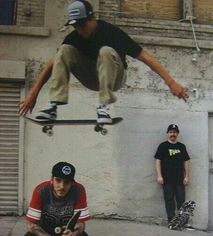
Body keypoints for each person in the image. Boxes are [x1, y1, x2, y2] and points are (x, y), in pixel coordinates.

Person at [19, 0, 188, 124]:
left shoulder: (111, 33)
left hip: (116, 78)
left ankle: (103, 106)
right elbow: (51, 65)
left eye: (82, 25)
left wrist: (171, 82)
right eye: (76, 27)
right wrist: (33, 94)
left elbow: (145, 57)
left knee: (105, 51)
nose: (80, 30)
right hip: (92, 77)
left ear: (92, 19)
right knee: (63, 51)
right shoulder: (74, 37)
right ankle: (54, 106)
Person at [154, 124, 190, 223]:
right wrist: (159, 175)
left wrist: (187, 176)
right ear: (168, 133)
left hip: (180, 179)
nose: (172, 134)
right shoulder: (163, 146)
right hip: (167, 179)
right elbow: (158, 161)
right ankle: (172, 221)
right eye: (170, 132)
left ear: (177, 133)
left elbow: (186, 161)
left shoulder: (181, 146)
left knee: (181, 201)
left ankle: (182, 222)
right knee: (169, 201)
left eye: (174, 132)